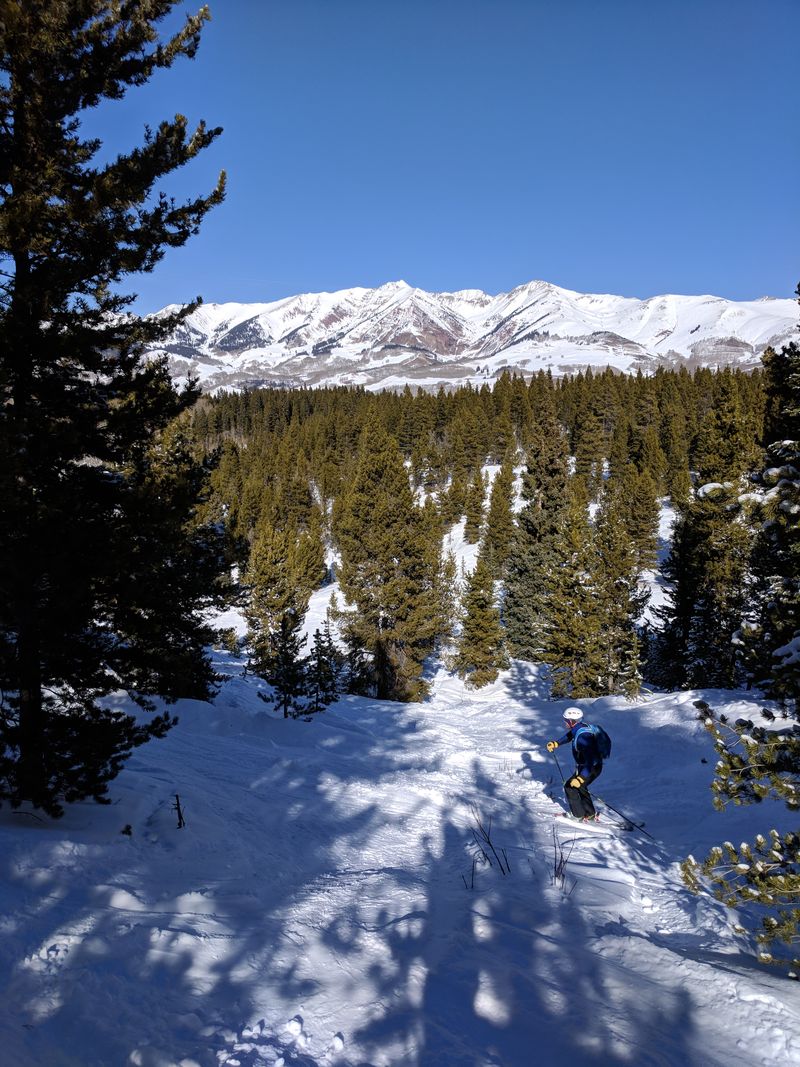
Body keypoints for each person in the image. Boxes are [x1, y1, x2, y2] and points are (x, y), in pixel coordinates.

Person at [546, 707, 603, 821]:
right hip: (590, 766)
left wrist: (581, 778)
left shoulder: (583, 738)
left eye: (566, 720)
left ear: (572, 721)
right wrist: (556, 743)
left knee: (570, 786)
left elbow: (590, 760)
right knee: (580, 787)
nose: (564, 722)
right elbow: (569, 735)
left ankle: (577, 815)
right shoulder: (580, 727)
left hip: (590, 767)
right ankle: (590, 814)